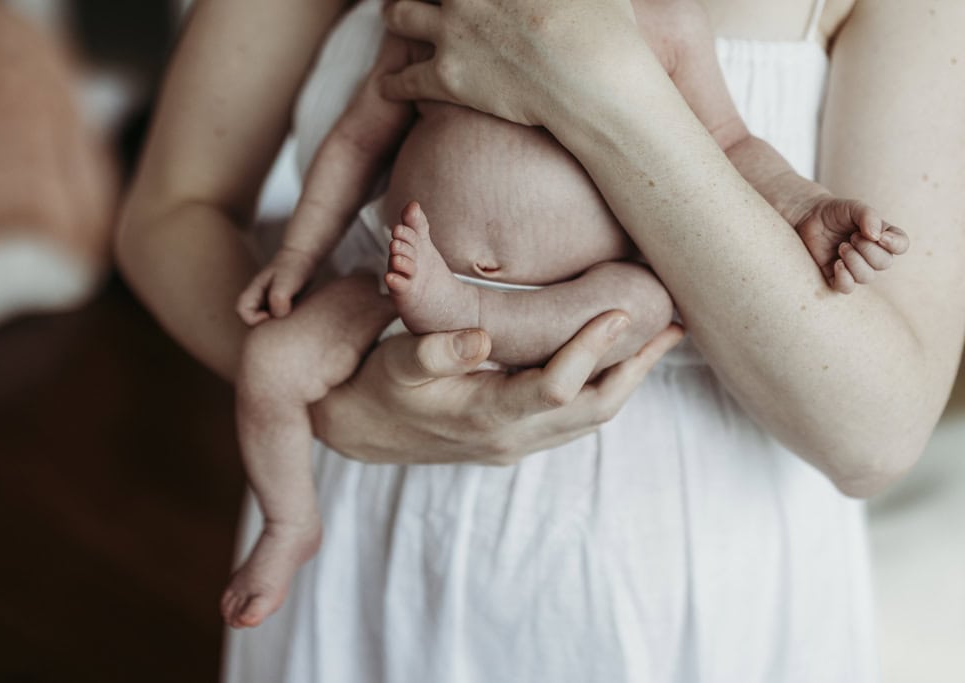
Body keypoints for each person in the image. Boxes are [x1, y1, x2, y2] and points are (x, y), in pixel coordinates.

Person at [116, 0, 965, 681]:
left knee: (638, 300)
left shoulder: (671, 23)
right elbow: (314, 156)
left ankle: (464, 310)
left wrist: (797, 204)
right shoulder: (424, 11)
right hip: (380, 407)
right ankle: (287, 518)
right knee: (277, 358)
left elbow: (738, 147)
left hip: (681, 573)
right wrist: (323, 357)